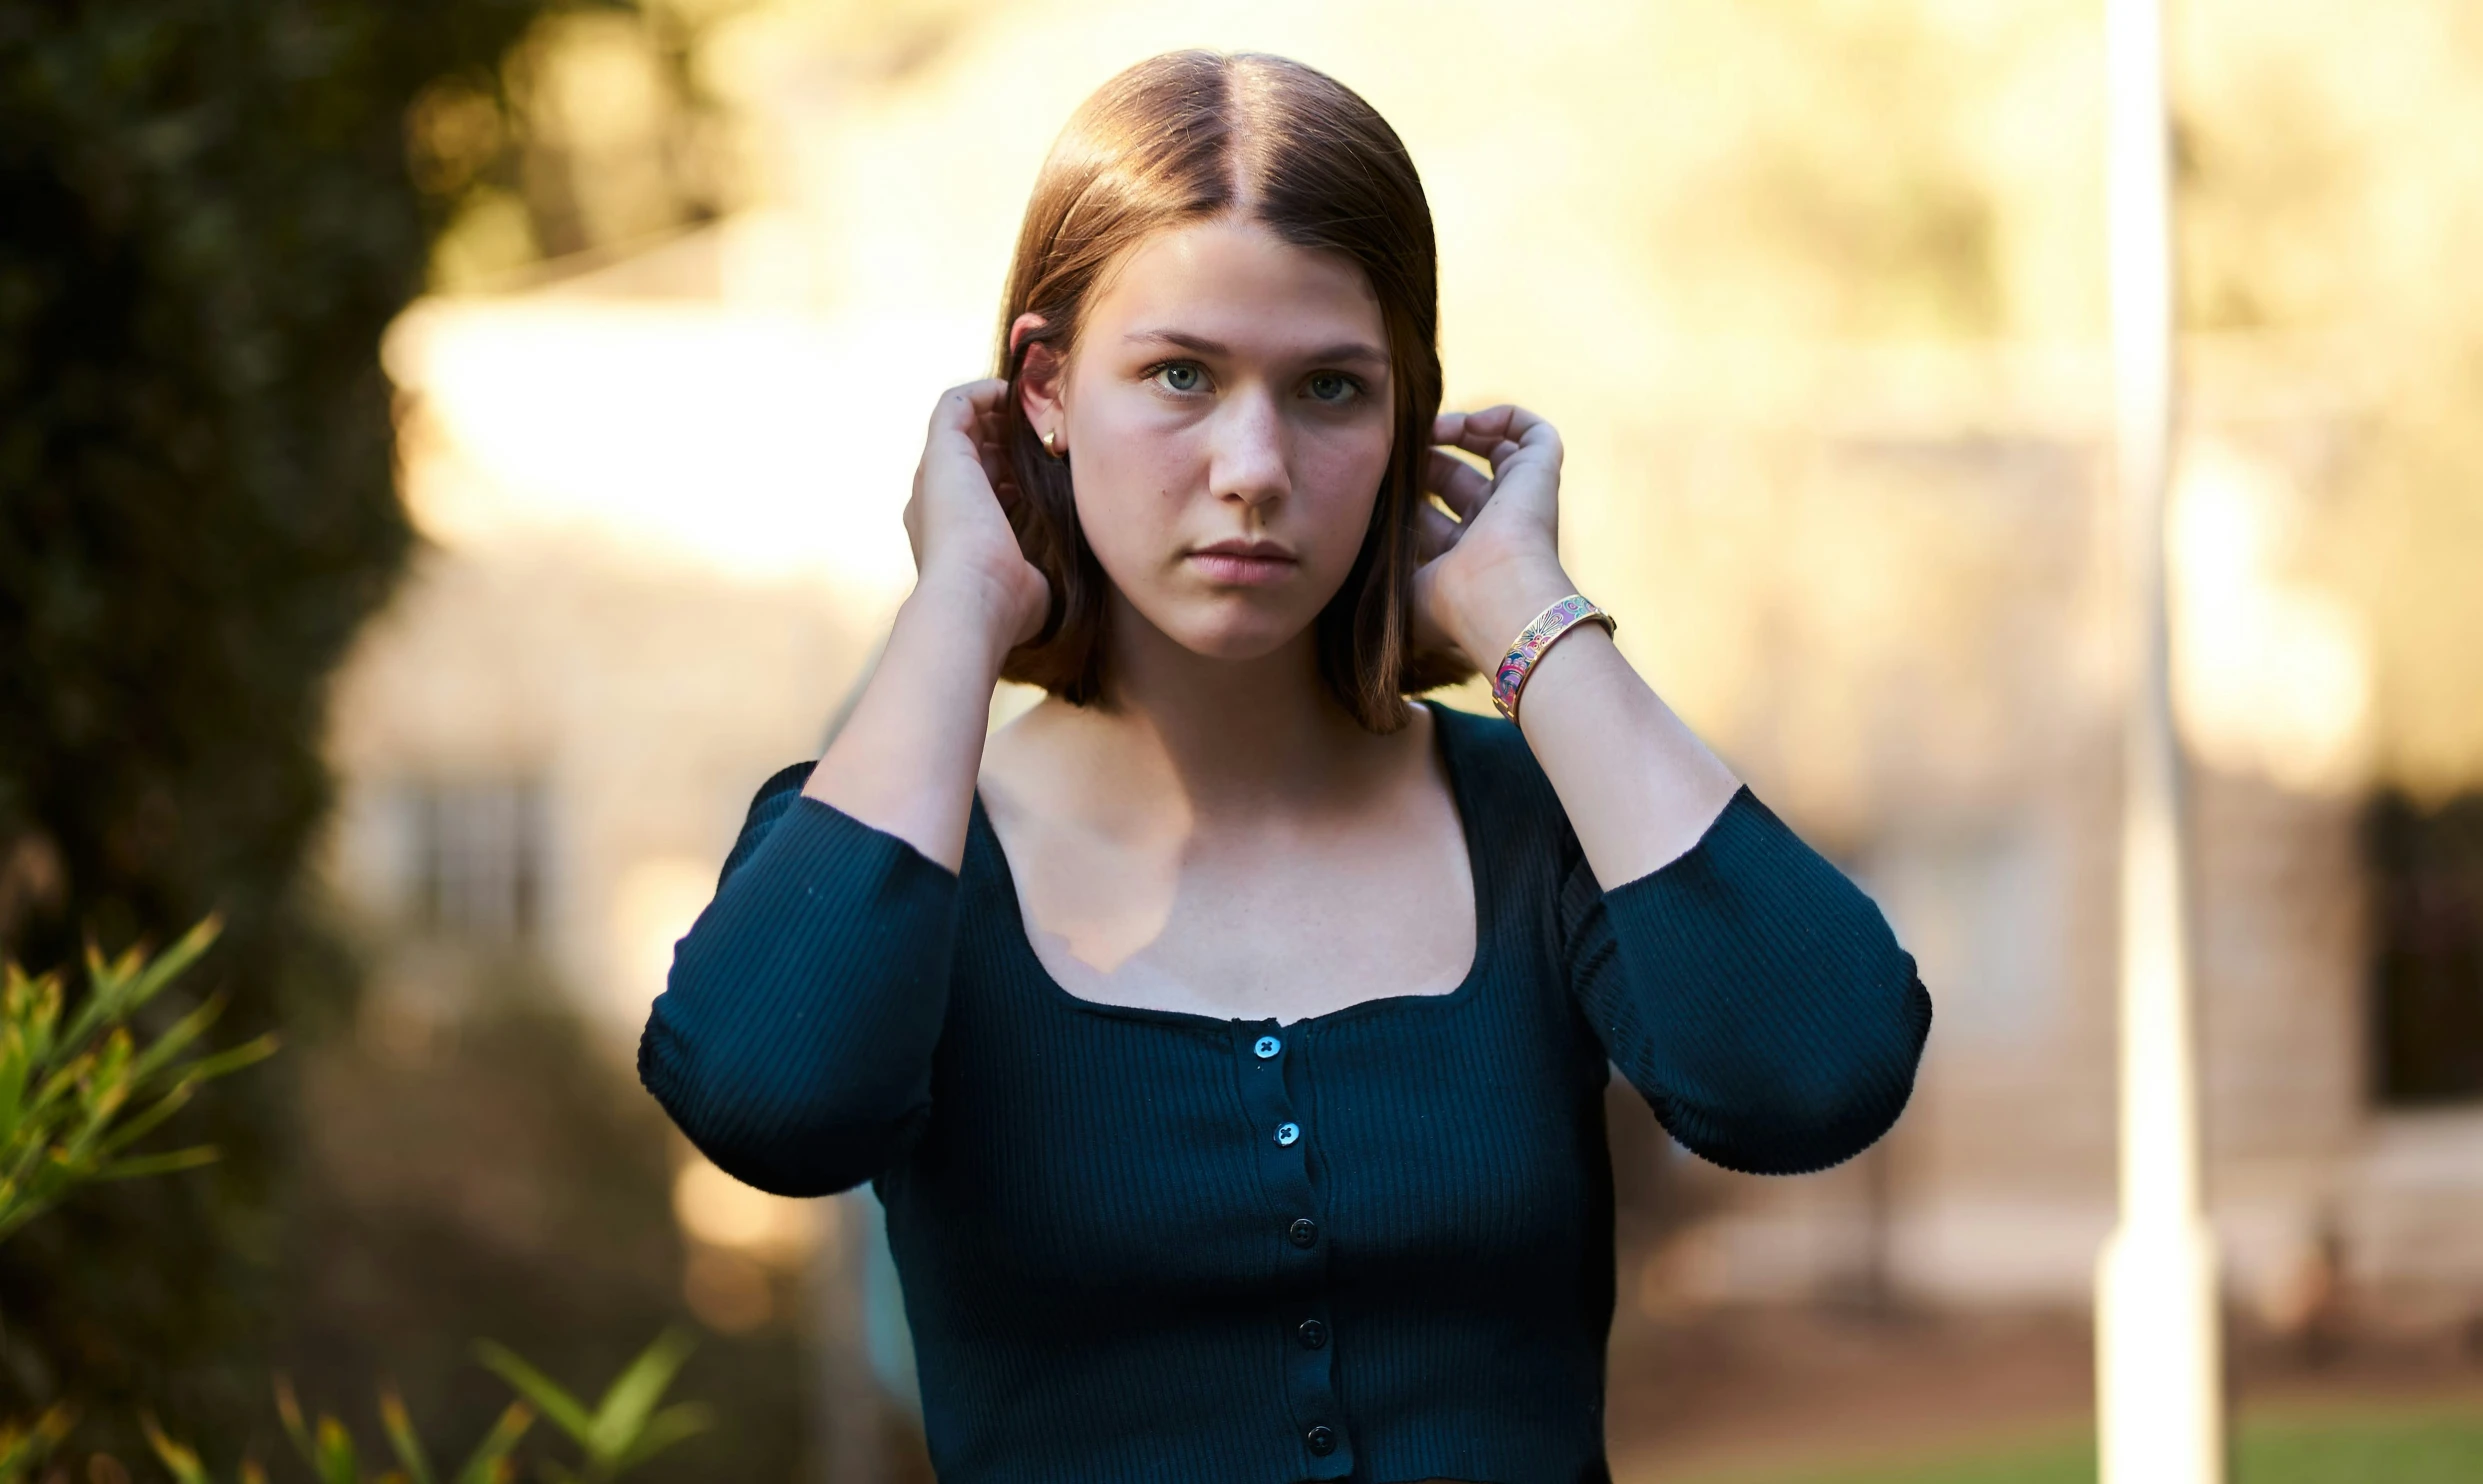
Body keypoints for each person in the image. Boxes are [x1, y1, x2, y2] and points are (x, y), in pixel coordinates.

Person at [640, 49, 1932, 1484]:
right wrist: (959, 600)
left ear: (1403, 423)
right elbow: (771, 1104)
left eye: (1328, 388)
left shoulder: (1536, 825)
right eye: (1178, 375)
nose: (1252, 463)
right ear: (1045, 389)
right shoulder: (907, 850)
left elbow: (1823, 1073)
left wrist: (1528, 617)